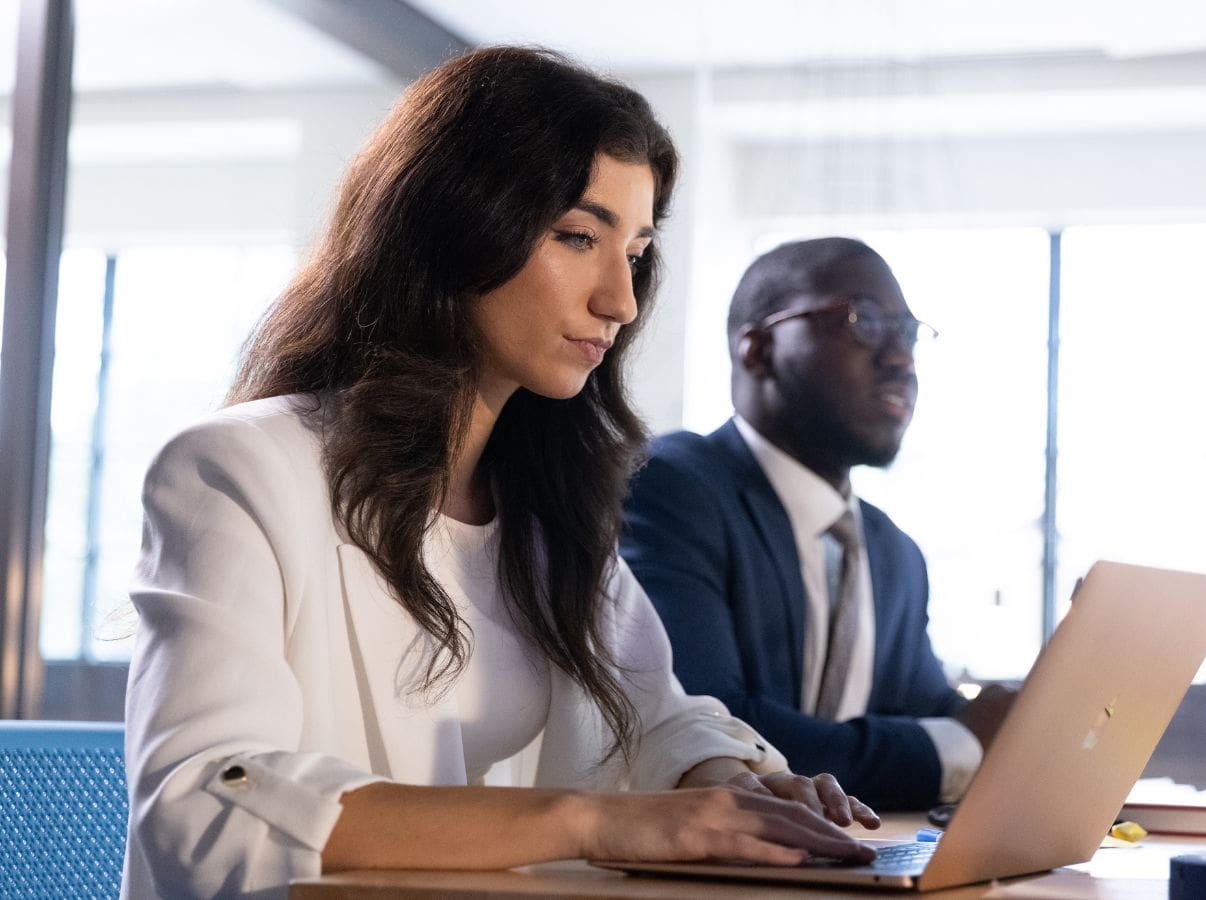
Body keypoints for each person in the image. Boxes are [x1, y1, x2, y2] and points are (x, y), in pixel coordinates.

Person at [120, 48, 879, 900]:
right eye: (578, 237)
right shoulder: (236, 471)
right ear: (452, 225)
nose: (619, 303)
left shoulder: (551, 509)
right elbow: (202, 802)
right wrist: (591, 821)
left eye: (634, 252)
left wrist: (733, 781)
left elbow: (653, 714)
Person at [621, 237, 1015, 812]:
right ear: (757, 349)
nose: (901, 359)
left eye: (907, 334)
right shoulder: (672, 488)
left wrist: (1029, 722)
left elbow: (922, 711)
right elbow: (709, 721)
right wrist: (960, 745)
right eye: (863, 321)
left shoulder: (891, 552)